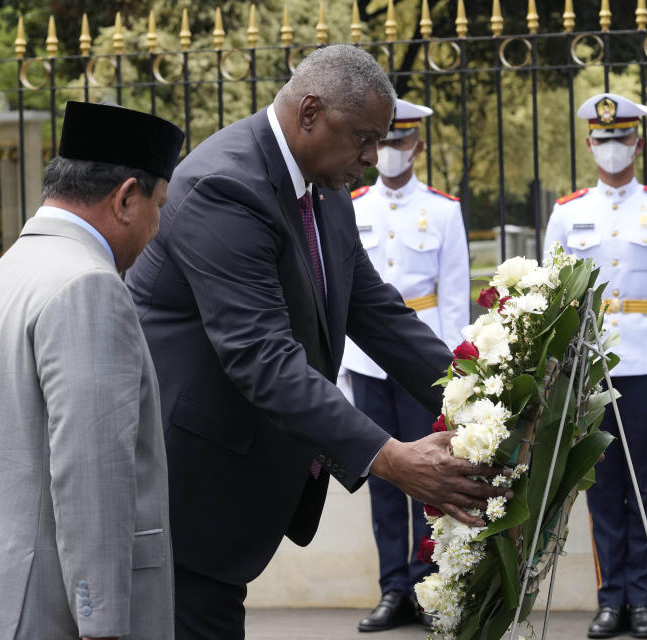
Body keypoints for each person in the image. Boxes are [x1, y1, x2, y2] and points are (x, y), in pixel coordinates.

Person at [124, 45, 510, 639]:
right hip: (187, 486)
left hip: (233, 479)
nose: (373, 157)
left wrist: (489, 399)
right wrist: (390, 457)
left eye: (380, 140)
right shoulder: (225, 187)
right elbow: (263, 358)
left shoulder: (323, 186)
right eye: (363, 138)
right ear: (309, 112)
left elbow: (375, 312)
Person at [0, 101, 184, 640]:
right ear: (126, 197)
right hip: (41, 611)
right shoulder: (88, 284)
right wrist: (103, 622)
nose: (157, 227)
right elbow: (91, 470)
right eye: (159, 205)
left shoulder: (4, 274)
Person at [543, 93, 647, 639]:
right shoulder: (567, 213)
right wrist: (555, 371)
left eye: (622, 138)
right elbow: (550, 301)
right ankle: (611, 598)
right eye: (603, 139)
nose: (613, 148)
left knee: (643, 490)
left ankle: (643, 600)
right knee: (602, 488)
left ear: (637, 141)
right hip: (590, 370)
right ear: (589, 144)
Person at [340, 98, 470, 632]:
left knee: (434, 474)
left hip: (425, 364)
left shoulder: (443, 209)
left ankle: (428, 586)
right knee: (382, 479)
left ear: (418, 145)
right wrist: (345, 368)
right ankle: (393, 587)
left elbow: (458, 299)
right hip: (369, 364)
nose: (391, 153)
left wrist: (463, 378)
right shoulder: (351, 204)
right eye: (384, 142)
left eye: (401, 142)